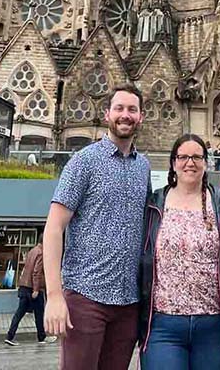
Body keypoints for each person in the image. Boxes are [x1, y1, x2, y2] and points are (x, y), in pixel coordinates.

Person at [43, 85, 151, 370]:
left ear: (141, 117)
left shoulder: (144, 167)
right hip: (86, 297)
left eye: (132, 110)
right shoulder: (84, 161)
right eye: (119, 108)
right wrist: (54, 296)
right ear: (107, 115)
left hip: (128, 302)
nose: (125, 115)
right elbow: (54, 227)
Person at [139, 133, 220, 368]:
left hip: (212, 324)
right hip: (163, 324)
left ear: (206, 163)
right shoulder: (154, 205)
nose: (190, 162)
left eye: (197, 157)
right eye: (183, 156)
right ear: (174, 163)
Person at [4, 241, 56, 346]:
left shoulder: (32, 251)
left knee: (19, 313)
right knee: (39, 313)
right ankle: (41, 337)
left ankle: (9, 336)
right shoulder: (41, 253)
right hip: (33, 288)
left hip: (24, 286)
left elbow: (26, 268)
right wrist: (36, 289)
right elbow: (36, 271)